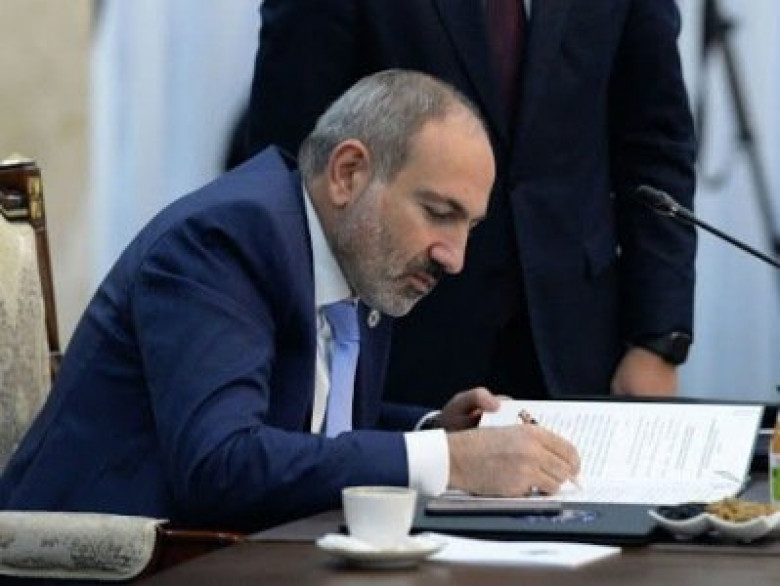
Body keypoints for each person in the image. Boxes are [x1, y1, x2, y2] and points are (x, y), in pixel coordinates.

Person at [0, 70, 579, 532]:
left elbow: (310, 424)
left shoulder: (358, 247)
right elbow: (221, 464)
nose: (454, 257)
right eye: (438, 212)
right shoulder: (223, 243)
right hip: (101, 563)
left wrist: (437, 432)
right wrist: (453, 464)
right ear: (348, 173)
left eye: (469, 226)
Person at [236, 0, 697, 407]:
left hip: (575, 344)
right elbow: (295, 155)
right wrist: (293, 338)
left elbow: (656, 145)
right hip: (392, 341)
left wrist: (658, 340)